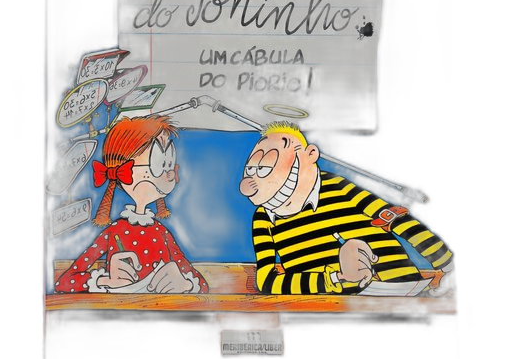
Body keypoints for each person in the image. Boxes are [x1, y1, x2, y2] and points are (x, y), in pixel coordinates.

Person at [239, 120, 455, 296]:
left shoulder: (340, 188)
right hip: (324, 307)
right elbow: (266, 281)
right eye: (251, 168)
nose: (249, 184)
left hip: (400, 291)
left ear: (310, 155)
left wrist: (448, 267)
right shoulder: (263, 218)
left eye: (266, 166)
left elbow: (397, 221)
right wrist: (334, 278)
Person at [55, 113, 208, 294]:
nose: (170, 174)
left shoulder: (161, 232)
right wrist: (105, 280)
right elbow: (64, 282)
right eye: (158, 163)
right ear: (122, 168)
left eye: (169, 164)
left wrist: (186, 284)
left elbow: (202, 284)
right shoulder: (114, 232)